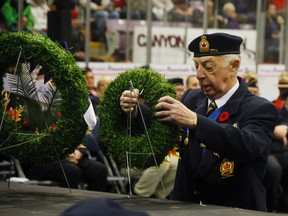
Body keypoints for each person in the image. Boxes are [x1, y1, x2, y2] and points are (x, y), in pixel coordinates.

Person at [119, 32, 278, 211]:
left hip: (234, 210)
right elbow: (159, 125)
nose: (199, 75)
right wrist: (135, 111)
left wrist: (195, 121)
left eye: (208, 67)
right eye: (196, 66)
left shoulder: (259, 108)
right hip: (186, 207)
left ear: (234, 66)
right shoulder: (192, 98)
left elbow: (246, 145)